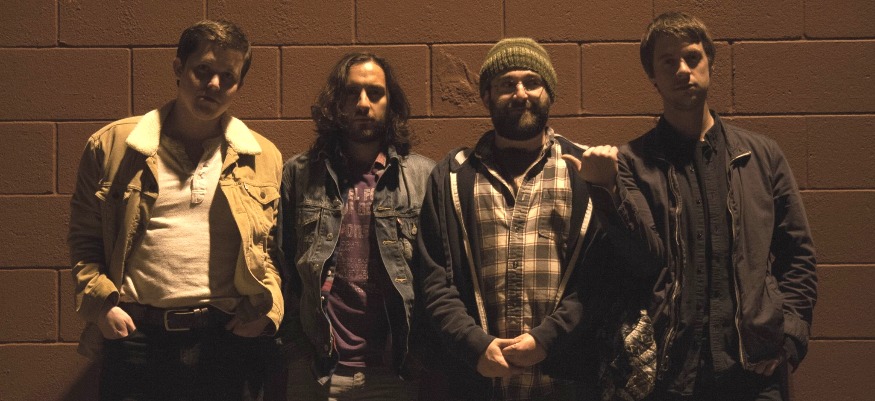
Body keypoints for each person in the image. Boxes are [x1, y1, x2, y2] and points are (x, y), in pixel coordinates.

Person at [567, 11, 818, 400]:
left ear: (711, 63)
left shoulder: (761, 156)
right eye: (668, 61)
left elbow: (798, 254)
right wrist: (606, 190)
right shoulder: (632, 162)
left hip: (753, 372)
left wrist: (790, 335)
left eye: (692, 57)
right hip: (670, 373)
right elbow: (645, 259)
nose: (682, 70)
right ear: (653, 76)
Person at [67, 20, 283, 401]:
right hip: (137, 335)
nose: (213, 84)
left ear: (239, 85)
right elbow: (84, 240)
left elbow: (268, 252)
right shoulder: (115, 145)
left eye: (228, 77)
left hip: (224, 340)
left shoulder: (262, 157)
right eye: (203, 70)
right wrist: (101, 308)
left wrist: (268, 312)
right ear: (179, 68)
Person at [415, 38, 608, 400]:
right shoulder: (452, 177)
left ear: (549, 93)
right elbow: (434, 279)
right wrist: (474, 345)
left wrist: (548, 339)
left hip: (567, 385)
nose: (521, 94)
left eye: (532, 82)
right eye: (507, 84)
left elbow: (600, 279)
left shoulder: (585, 171)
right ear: (486, 96)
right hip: (476, 386)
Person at [277, 52, 435, 400]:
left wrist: (421, 353)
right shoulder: (299, 174)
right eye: (352, 93)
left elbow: (436, 276)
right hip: (317, 369)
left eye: (375, 93)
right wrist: (295, 349)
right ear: (336, 102)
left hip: (393, 370)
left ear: (391, 103)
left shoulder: (423, 177)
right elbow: (283, 267)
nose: (363, 103)